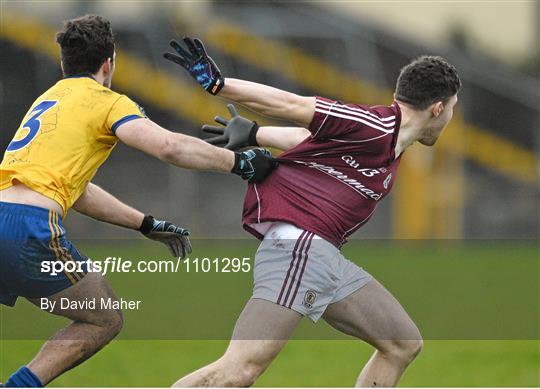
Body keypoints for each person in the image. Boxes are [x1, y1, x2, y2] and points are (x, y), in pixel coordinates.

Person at [164, 37, 461, 387]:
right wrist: (219, 84)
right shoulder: (375, 125)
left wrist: (258, 134)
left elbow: (312, 141)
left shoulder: (387, 142)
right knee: (240, 369)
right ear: (438, 108)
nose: (452, 115)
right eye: (454, 107)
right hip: (300, 247)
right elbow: (294, 104)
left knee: (402, 343)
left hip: (321, 256)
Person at [0, 17, 276, 388]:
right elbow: (168, 145)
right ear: (109, 63)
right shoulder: (106, 101)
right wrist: (239, 162)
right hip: (27, 228)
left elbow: (74, 190)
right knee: (103, 318)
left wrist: (144, 223)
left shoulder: (48, 100)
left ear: (65, 63)